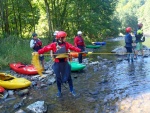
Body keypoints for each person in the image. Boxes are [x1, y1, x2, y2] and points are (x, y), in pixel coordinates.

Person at [37, 31, 81, 97]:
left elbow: (73, 48)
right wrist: (38, 52)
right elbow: (45, 49)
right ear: (60, 38)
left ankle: (72, 90)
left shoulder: (66, 44)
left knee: (69, 77)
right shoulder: (53, 45)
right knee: (58, 78)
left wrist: (80, 51)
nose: (65, 38)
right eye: (64, 37)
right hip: (57, 64)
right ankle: (59, 91)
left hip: (65, 63)